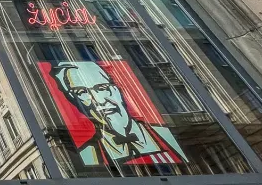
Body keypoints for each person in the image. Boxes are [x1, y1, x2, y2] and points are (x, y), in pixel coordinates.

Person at [50, 62, 188, 167]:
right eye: (82, 92)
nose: (99, 100)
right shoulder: (87, 155)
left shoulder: (168, 136)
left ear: (117, 89)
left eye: (102, 88)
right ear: (75, 102)